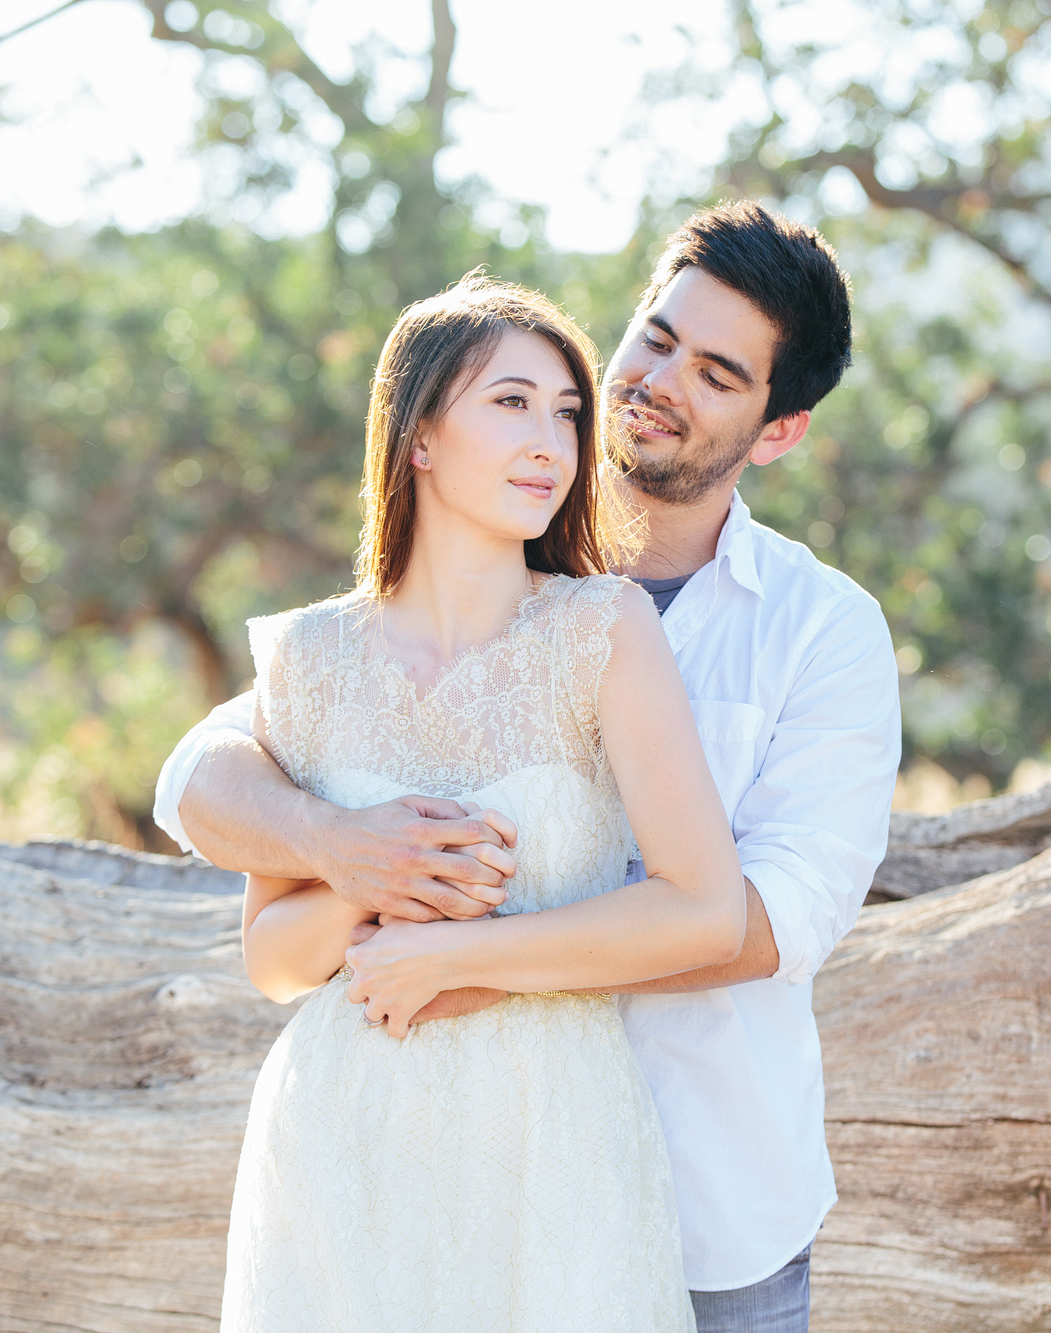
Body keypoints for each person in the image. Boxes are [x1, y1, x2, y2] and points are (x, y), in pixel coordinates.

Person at [159, 202, 903, 1331]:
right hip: (421, 1181)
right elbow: (207, 772)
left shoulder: (819, 629)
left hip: (707, 1193)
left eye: (714, 374)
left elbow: (763, 921)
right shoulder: (463, 570)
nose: (657, 381)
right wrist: (338, 848)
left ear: (776, 430)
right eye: (655, 337)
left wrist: (477, 963)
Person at [217, 275, 745, 1330]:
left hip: (549, 1149)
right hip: (341, 1145)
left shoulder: (602, 630)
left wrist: (455, 952)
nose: (549, 438)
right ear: (416, 435)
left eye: (565, 412)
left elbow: (704, 907)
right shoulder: (310, 656)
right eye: (510, 402)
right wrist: (373, 878)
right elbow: (272, 961)